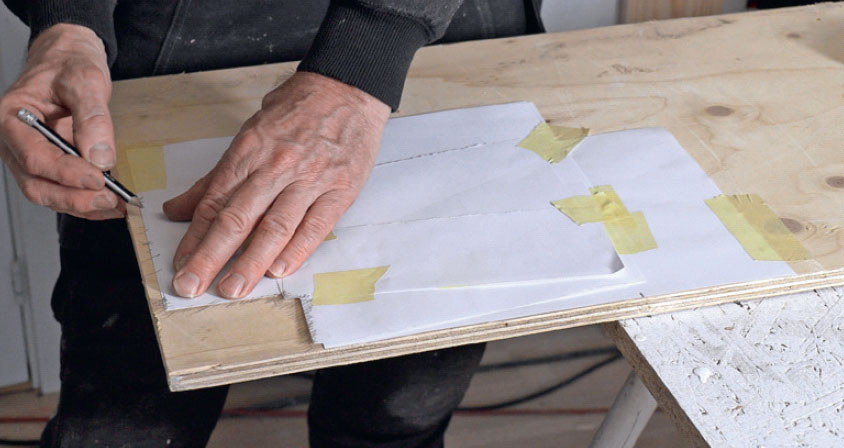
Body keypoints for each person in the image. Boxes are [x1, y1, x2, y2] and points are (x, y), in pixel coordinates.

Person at [0, 1, 542, 446]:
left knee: (393, 416)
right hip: (169, 50)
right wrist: (68, 20)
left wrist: (365, 56)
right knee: (122, 427)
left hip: (440, 44)